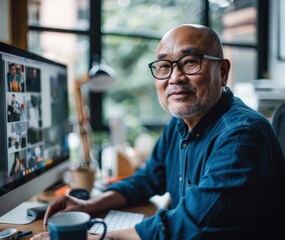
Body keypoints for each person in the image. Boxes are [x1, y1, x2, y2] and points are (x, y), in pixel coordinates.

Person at [32, 24, 285, 240]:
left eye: (190, 62)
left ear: (222, 72)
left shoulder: (241, 136)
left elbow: (190, 222)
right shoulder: (181, 123)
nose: (175, 77)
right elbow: (148, 178)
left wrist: (97, 235)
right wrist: (89, 205)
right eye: (164, 66)